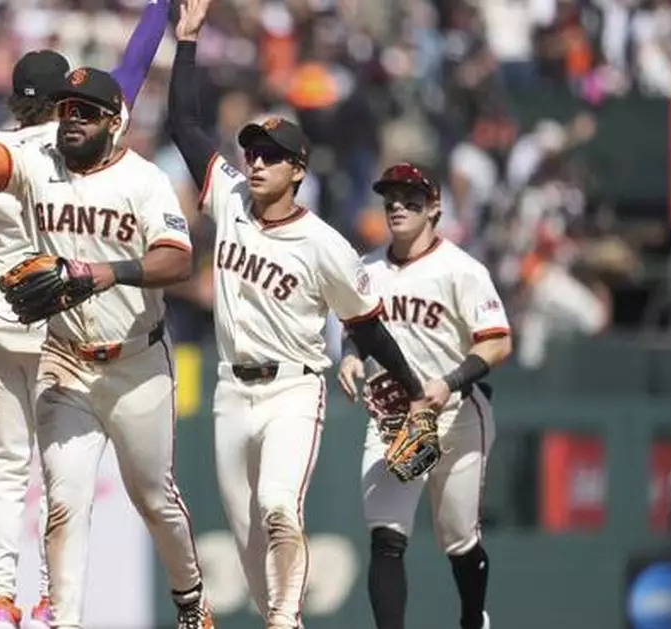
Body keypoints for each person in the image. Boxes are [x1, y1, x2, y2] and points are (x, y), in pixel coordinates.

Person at [165, 2, 437, 628]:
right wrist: (186, 40)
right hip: (231, 388)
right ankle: (279, 617)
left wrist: (417, 388)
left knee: (280, 506)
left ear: (298, 170)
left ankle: (285, 621)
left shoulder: (326, 245)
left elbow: (366, 323)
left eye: (270, 156)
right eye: (252, 152)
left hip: (293, 387)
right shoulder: (229, 198)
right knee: (248, 543)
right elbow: (183, 123)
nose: (256, 163)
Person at [0, 5, 213, 629]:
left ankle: (191, 600)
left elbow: (178, 262)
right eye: (66, 109)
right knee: (63, 503)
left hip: (137, 362)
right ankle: (61, 619)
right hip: (64, 361)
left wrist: (105, 273)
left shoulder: (143, 181)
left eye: (87, 111)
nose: (72, 120)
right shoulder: (36, 162)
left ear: (114, 121)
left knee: (156, 502)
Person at [336, 163, 513, 629]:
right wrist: (351, 356)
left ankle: (474, 619)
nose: (397, 205)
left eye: (410, 197)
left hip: (456, 416)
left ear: (434, 207)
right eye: (390, 197)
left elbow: (497, 342)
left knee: (459, 539)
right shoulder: (367, 269)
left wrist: (448, 382)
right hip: (396, 419)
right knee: (386, 536)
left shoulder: (461, 269)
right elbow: (359, 330)